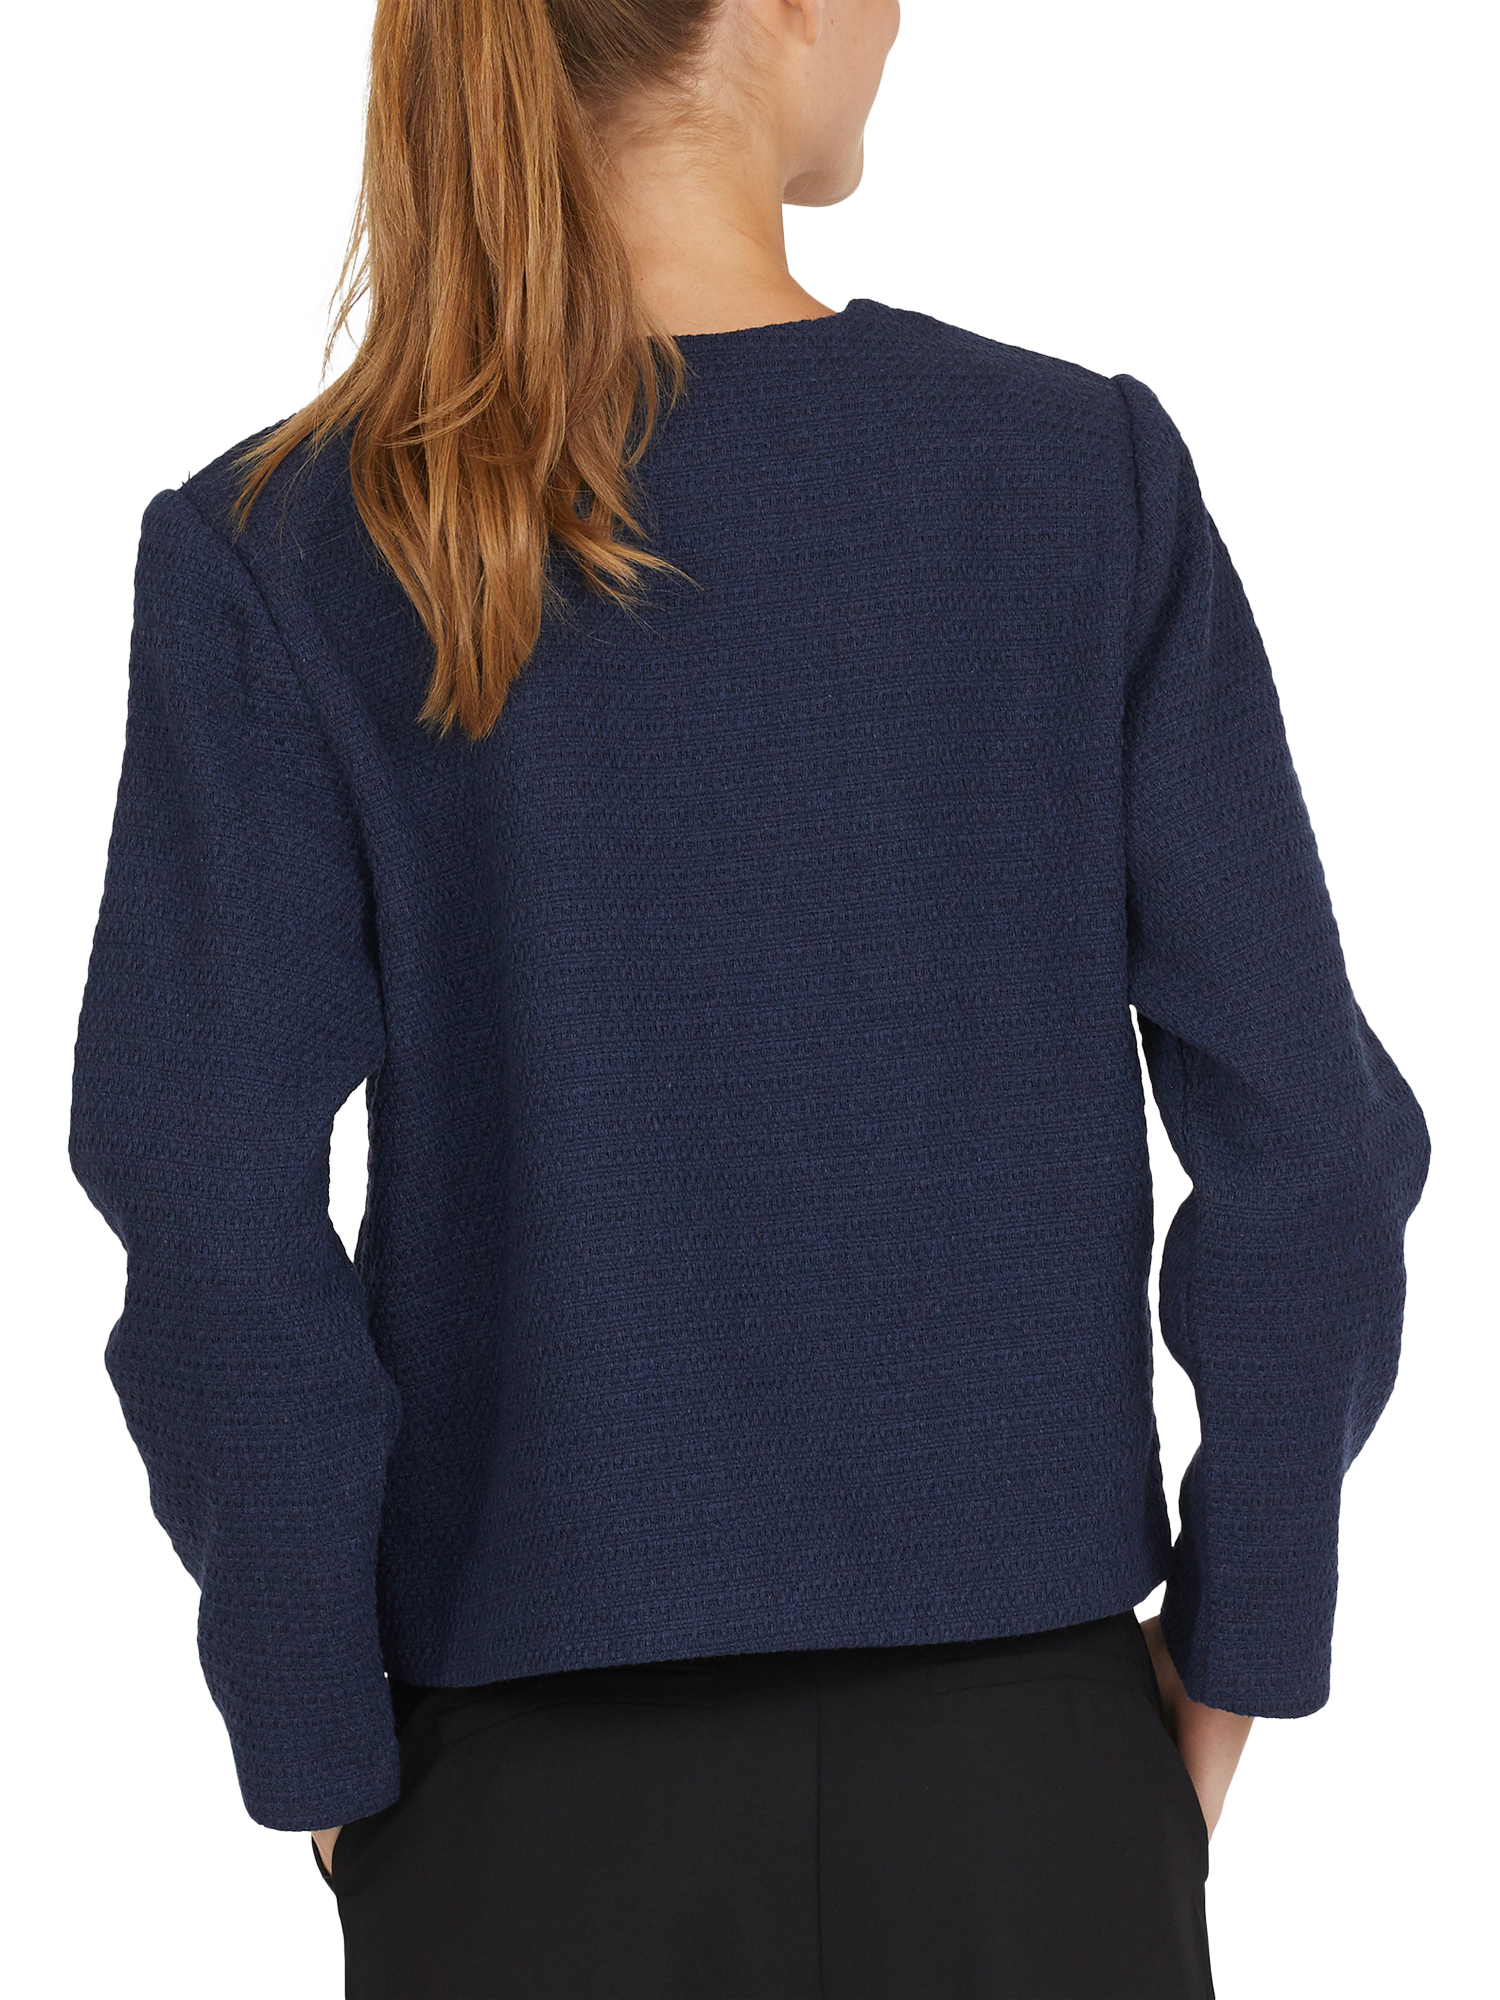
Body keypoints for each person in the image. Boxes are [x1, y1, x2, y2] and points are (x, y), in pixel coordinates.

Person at [68, 2, 1431, 1995]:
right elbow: (1307, 1143)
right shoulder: (1074, 481)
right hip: (1028, 1778)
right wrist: (1237, 1654)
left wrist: (324, 1751)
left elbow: (206, 1209)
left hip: (519, 1800)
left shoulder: (293, 542)